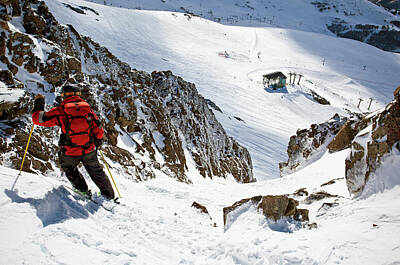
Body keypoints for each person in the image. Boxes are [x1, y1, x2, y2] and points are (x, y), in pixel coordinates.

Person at [32, 84, 115, 200]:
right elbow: (98, 128)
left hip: (70, 150)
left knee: (68, 167)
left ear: (64, 95)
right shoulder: (88, 110)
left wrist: (39, 103)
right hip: (89, 148)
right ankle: (109, 195)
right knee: (96, 171)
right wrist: (98, 141)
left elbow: (39, 119)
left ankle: (83, 191)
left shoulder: (61, 110)